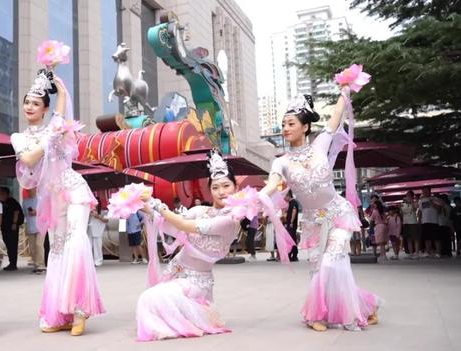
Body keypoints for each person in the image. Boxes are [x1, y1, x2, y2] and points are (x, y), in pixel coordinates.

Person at [135, 150, 295, 341]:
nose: (221, 192)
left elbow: (185, 225)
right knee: (149, 300)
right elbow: (171, 224)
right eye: (216, 187)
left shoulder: (231, 220)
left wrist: (158, 205)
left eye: (226, 186)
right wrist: (141, 203)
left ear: (236, 187)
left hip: (196, 282)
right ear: (209, 190)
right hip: (175, 271)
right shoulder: (200, 209)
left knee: (149, 299)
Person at [260, 91, 380, 331]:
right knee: (317, 268)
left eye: (291, 123)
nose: (285, 128)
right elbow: (273, 184)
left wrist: (345, 89)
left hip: (338, 214)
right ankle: (336, 311)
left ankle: (344, 311)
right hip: (313, 220)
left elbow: (336, 115)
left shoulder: (320, 144)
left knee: (332, 262)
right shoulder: (280, 162)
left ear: (305, 127)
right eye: (283, 124)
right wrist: (262, 195)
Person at [11, 69, 104, 336]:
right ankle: (61, 311)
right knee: (58, 250)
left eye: (36, 103)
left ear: (45, 109)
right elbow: (28, 161)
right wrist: (48, 139)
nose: (29, 106)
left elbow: (62, 103)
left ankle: (79, 310)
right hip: (52, 200)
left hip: (73, 190)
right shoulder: (18, 138)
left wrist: (58, 84)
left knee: (76, 242)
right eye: (27, 102)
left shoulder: (57, 127)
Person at [0, 186, 22, 271]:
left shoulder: (12, 201)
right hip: (4, 227)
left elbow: (16, 212)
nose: (0, 195)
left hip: (12, 227)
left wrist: (15, 223)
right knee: (8, 245)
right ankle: (11, 263)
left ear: (7, 194)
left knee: (13, 245)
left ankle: (13, 264)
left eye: (2, 194)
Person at [23, 188, 46, 274]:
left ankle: (41, 265)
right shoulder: (25, 201)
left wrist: (37, 212)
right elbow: (25, 213)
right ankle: (36, 264)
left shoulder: (41, 199)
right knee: (32, 247)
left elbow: (46, 212)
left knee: (39, 245)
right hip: (30, 226)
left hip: (41, 226)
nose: (30, 190)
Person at [418, 187, 441, 258]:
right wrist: (419, 219)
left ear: (430, 191)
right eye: (423, 191)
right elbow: (420, 211)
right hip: (425, 221)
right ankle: (428, 252)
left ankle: (438, 252)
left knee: (436, 238)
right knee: (427, 238)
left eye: (426, 191)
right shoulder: (421, 200)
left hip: (434, 221)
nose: (425, 192)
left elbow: (439, 209)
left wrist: (432, 202)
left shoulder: (435, 199)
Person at [401, 190, 420, 258]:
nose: (407, 196)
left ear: (412, 196)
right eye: (406, 195)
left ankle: (417, 253)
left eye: (409, 195)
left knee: (415, 238)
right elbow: (402, 212)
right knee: (408, 238)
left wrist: (411, 201)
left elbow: (415, 208)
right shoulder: (403, 204)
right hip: (406, 222)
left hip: (413, 222)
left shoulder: (415, 202)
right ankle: (410, 253)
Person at [87, 202, 108, 267]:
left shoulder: (104, 211)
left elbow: (106, 220)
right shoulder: (89, 210)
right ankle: (89, 261)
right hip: (89, 230)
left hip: (98, 230)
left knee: (97, 247)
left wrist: (98, 217)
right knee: (89, 246)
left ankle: (98, 261)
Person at [284, 190, 300, 261]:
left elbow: (294, 211)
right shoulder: (290, 203)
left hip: (291, 224)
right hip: (290, 224)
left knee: (291, 239)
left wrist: (291, 221)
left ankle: (293, 254)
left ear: (288, 195)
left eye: (285, 196)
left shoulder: (293, 202)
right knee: (292, 239)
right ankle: (293, 255)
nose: (284, 198)